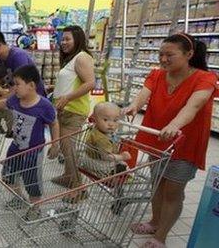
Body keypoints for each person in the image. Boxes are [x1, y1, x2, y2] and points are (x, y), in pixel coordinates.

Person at [123, 33, 217, 248]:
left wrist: (175, 125)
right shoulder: (156, 75)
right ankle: (155, 222)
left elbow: (193, 106)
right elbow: (143, 94)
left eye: (169, 55)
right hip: (157, 139)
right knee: (157, 184)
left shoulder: (205, 78)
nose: (163, 59)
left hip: (184, 142)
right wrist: (133, 106)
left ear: (189, 54)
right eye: (160, 54)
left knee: (173, 190)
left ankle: (161, 237)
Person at [0, 65, 60, 220]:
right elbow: (5, 103)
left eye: (17, 84)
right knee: (8, 175)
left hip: (33, 152)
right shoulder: (16, 100)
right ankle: (20, 199)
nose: (14, 87)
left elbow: (54, 123)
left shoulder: (44, 106)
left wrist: (55, 143)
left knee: (32, 182)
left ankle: (35, 208)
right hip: (15, 147)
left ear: (31, 85)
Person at [49, 25, 95, 192]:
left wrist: (67, 97)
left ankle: (78, 188)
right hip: (65, 110)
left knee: (68, 148)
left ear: (78, 40)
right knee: (65, 146)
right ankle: (68, 176)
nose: (64, 42)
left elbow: (90, 83)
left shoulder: (82, 58)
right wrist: (54, 87)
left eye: (68, 39)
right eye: (63, 39)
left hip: (74, 111)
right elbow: (72, 81)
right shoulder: (72, 58)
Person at [0, 30, 47, 97]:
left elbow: (23, 86)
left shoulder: (18, 56)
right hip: (19, 97)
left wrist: (1, 100)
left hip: (34, 99)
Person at [84, 102, 130, 175]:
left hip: (90, 159)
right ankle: (113, 179)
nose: (111, 124)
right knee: (123, 165)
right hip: (97, 163)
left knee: (120, 163)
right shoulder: (101, 139)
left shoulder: (98, 130)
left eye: (115, 120)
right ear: (95, 119)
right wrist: (122, 157)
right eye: (105, 120)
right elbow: (106, 157)